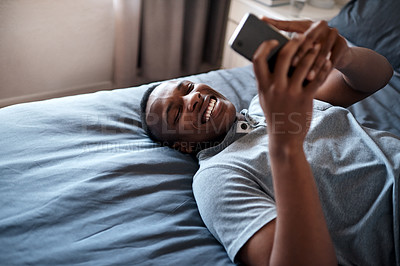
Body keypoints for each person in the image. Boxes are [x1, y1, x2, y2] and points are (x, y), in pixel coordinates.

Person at [140, 18, 398, 265]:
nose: (193, 98)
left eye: (187, 88)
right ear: (182, 146)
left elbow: (379, 75)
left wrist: (345, 57)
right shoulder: (216, 176)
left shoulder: (267, 104)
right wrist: (285, 144)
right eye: (176, 113)